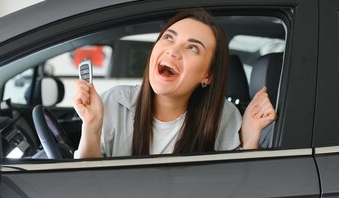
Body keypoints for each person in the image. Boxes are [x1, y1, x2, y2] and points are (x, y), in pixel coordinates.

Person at [73, 9, 276, 158]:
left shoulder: (224, 116)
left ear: (207, 75)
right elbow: (86, 183)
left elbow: (237, 191)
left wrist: (250, 140)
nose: (173, 50)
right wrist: (91, 126)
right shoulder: (114, 102)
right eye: (169, 37)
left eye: (193, 48)